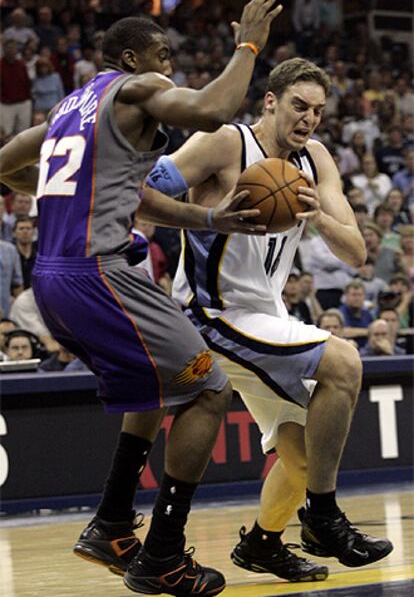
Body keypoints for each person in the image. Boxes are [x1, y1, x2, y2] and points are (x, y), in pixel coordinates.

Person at [0, 1, 282, 596]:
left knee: (159, 386)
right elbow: (212, 110)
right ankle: (163, 556)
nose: (169, 68)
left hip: (52, 281)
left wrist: (207, 217)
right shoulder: (136, 90)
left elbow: (12, 166)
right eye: (163, 56)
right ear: (131, 59)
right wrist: (249, 47)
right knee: (208, 388)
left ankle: (111, 524)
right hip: (98, 274)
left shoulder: (69, 108)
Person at [84, 58, 393, 587]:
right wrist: (206, 215)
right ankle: (323, 518)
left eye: (318, 110)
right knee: (344, 360)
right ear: (269, 101)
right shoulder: (225, 142)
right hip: (210, 313)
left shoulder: (316, 159)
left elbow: (357, 252)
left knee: (300, 458)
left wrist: (315, 212)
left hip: (263, 318)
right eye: (299, 105)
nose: (309, 119)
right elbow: (141, 194)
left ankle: (263, 543)